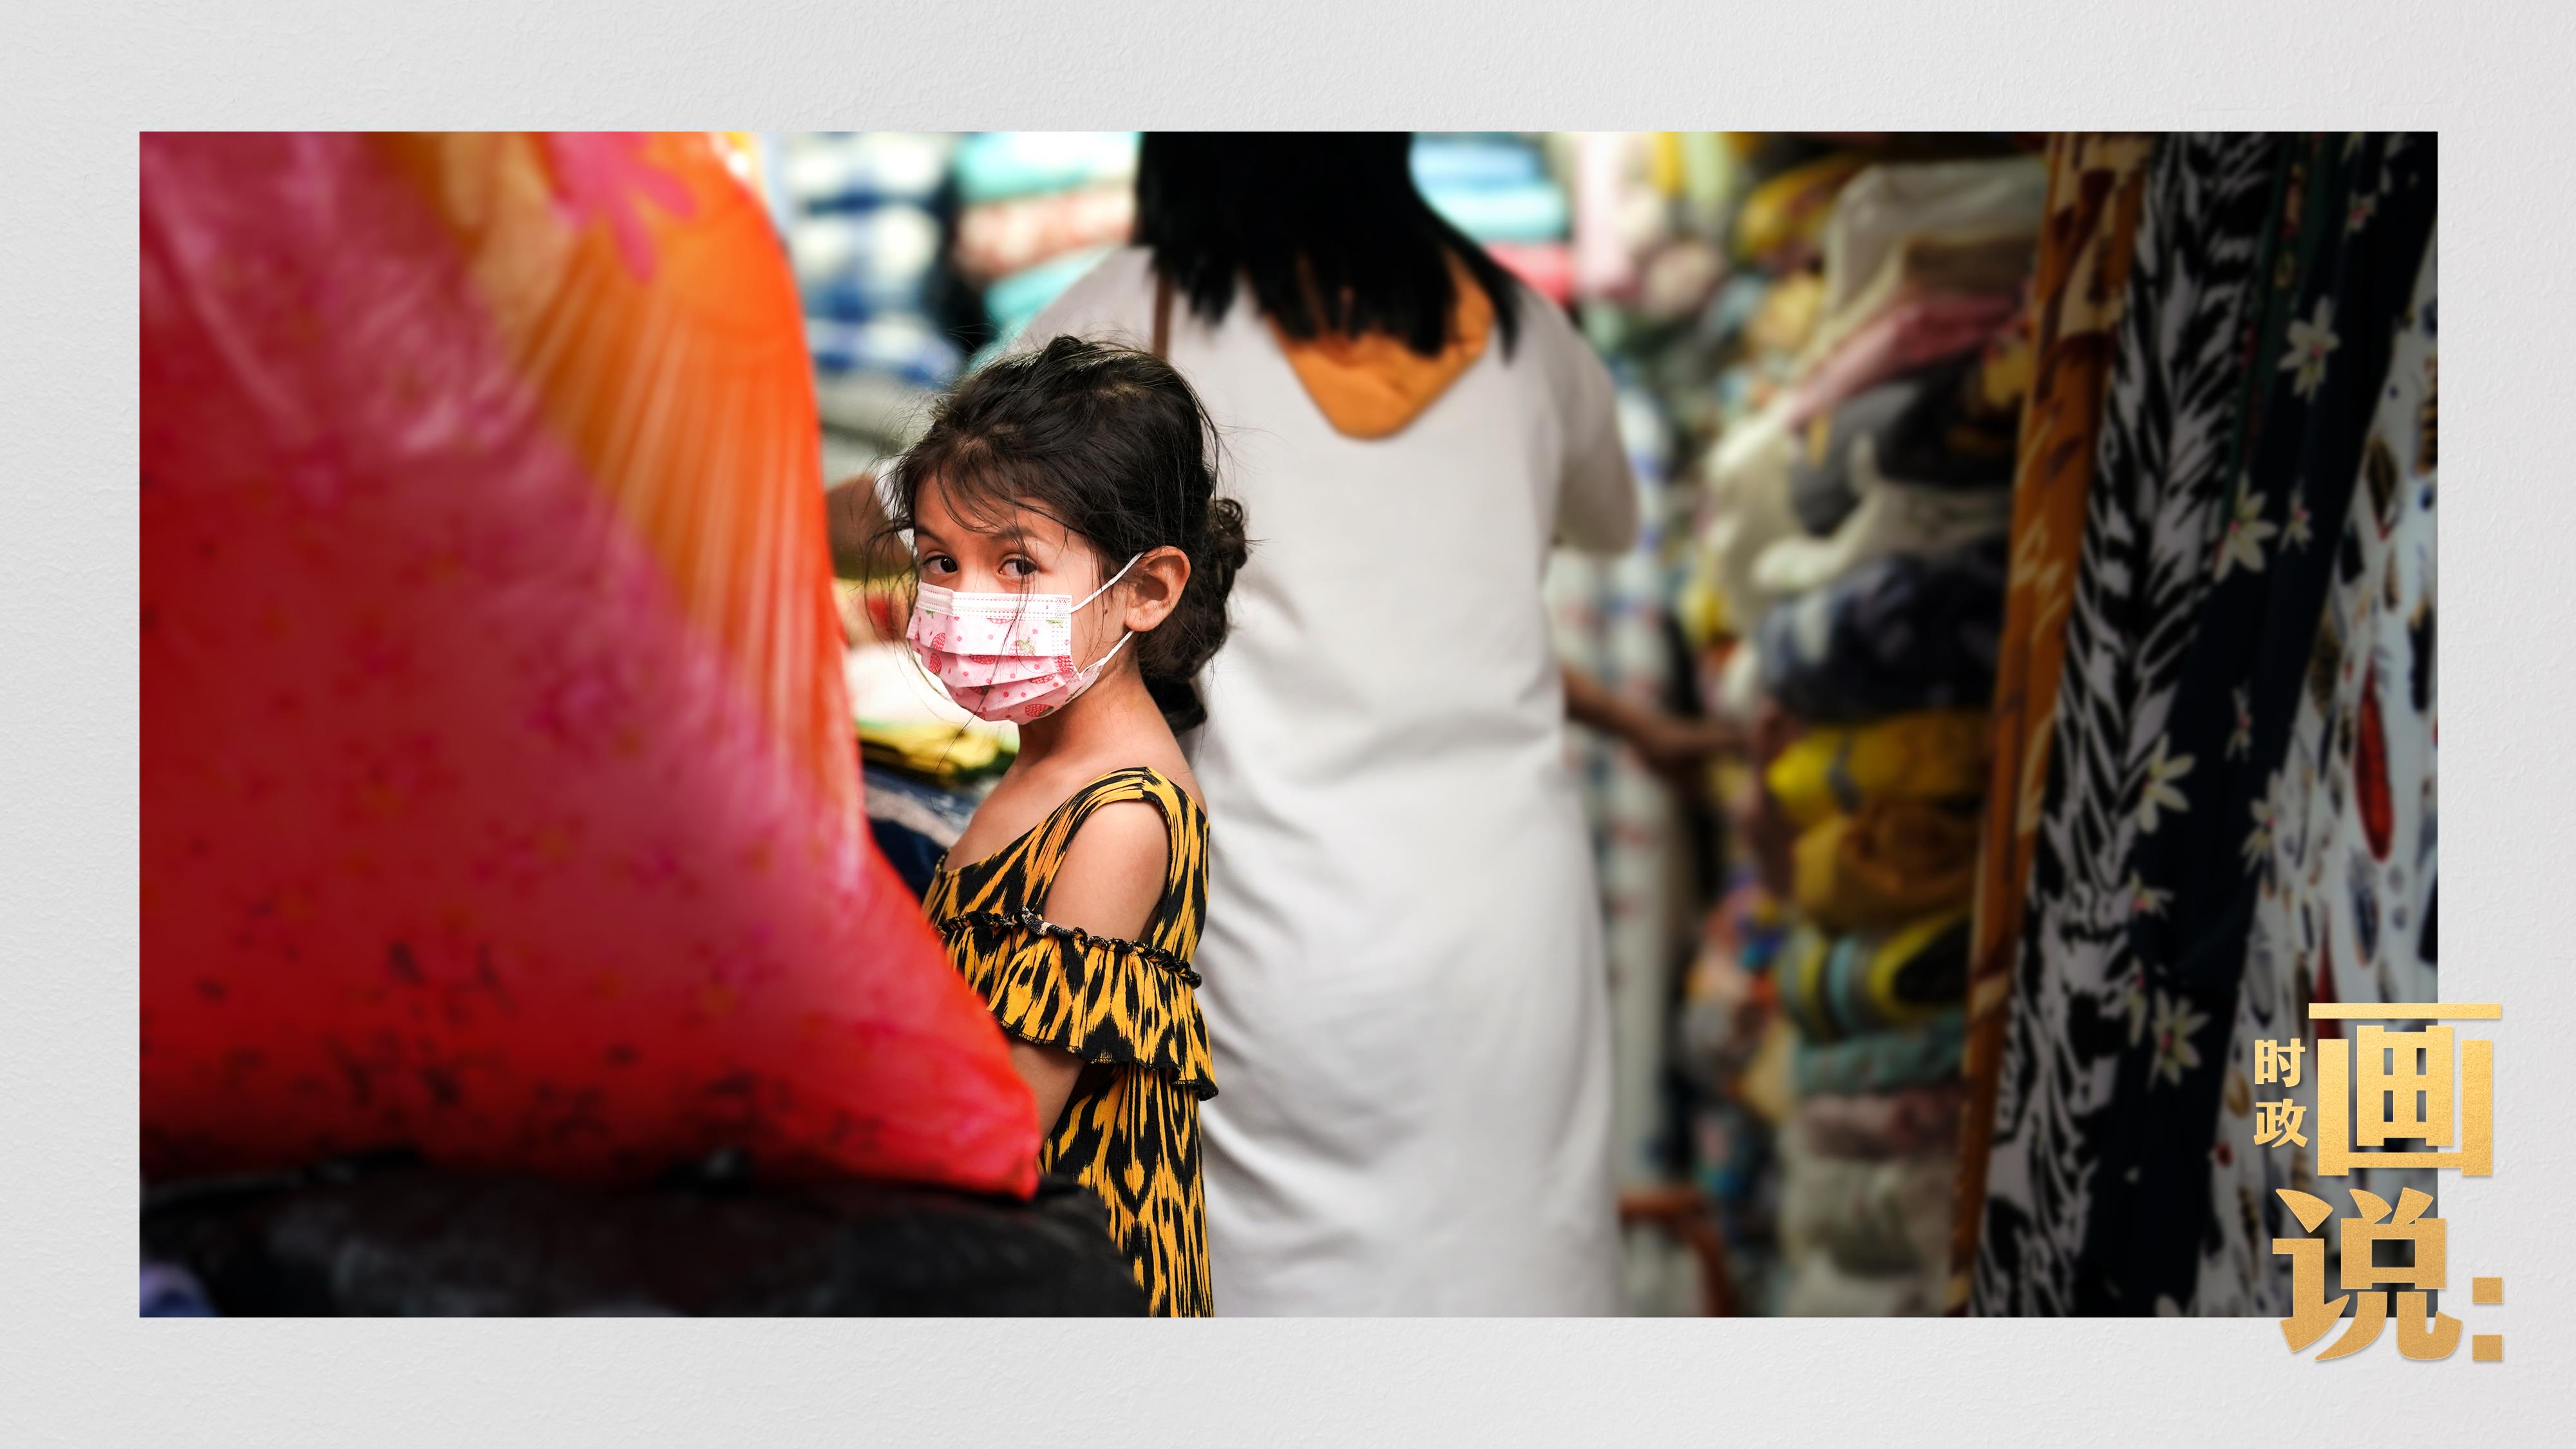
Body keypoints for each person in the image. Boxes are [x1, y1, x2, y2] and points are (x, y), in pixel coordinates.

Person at [1012, 133, 1719, 1314]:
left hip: (1273, 937)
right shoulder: (1523, 332)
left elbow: (925, 502)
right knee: (1512, 1282)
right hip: (1506, 941)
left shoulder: (1139, 312)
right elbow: (1601, 520)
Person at [898, 337, 1248, 1317]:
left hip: (1071, 1293)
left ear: (1146, 589)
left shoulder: (1122, 817)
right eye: (940, 561)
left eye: (1017, 564)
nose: (964, 601)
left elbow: (1013, 1120)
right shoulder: (1042, 765)